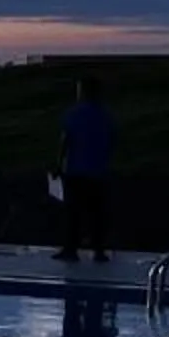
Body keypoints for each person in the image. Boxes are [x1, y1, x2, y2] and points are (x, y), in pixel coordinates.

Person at [55, 75, 114, 263]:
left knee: (73, 212)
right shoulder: (105, 115)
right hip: (98, 170)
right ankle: (98, 250)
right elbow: (111, 141)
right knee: (97, 212)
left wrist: (58, 164)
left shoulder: (73, 113)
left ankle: (71, 249)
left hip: (76, 170)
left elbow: (65, 140)